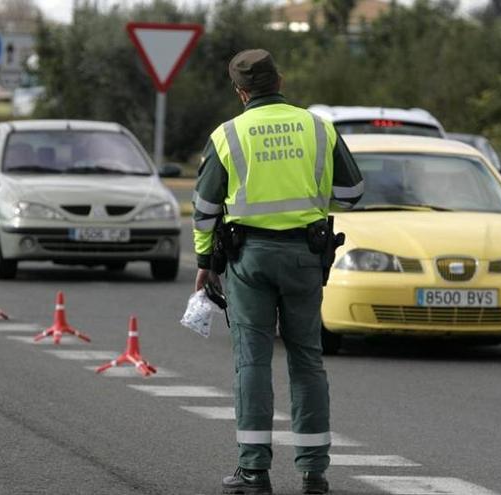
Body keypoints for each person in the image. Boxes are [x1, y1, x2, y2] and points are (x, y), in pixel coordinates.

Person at [192, 49, 363, 495]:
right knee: (307, 360)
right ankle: (313, 473)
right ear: (281, 80)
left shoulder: (228, 134)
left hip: (249, 259)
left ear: (240, 91)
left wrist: (204, 263)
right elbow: (352, 193)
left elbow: (205, 209)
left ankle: (253, 471)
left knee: (253, 361)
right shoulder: (318, 127)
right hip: (306, 256)